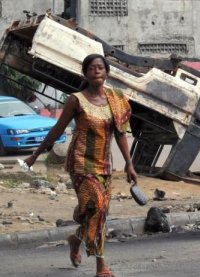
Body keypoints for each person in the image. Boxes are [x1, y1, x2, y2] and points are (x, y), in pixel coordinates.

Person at [24, 54, 137, 277]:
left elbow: (121, 133)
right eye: (92, 68)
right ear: (85, 73)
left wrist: (129, 164)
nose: (97, 71)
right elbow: (57, 128)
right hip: (81, 164)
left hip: (105, 165)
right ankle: (101, 267)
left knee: (99, 211)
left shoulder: (116, 98)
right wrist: (36, 154)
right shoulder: (76, 100)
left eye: (101, 68)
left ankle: (76, 239)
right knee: (98, 208)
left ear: (106, 73)